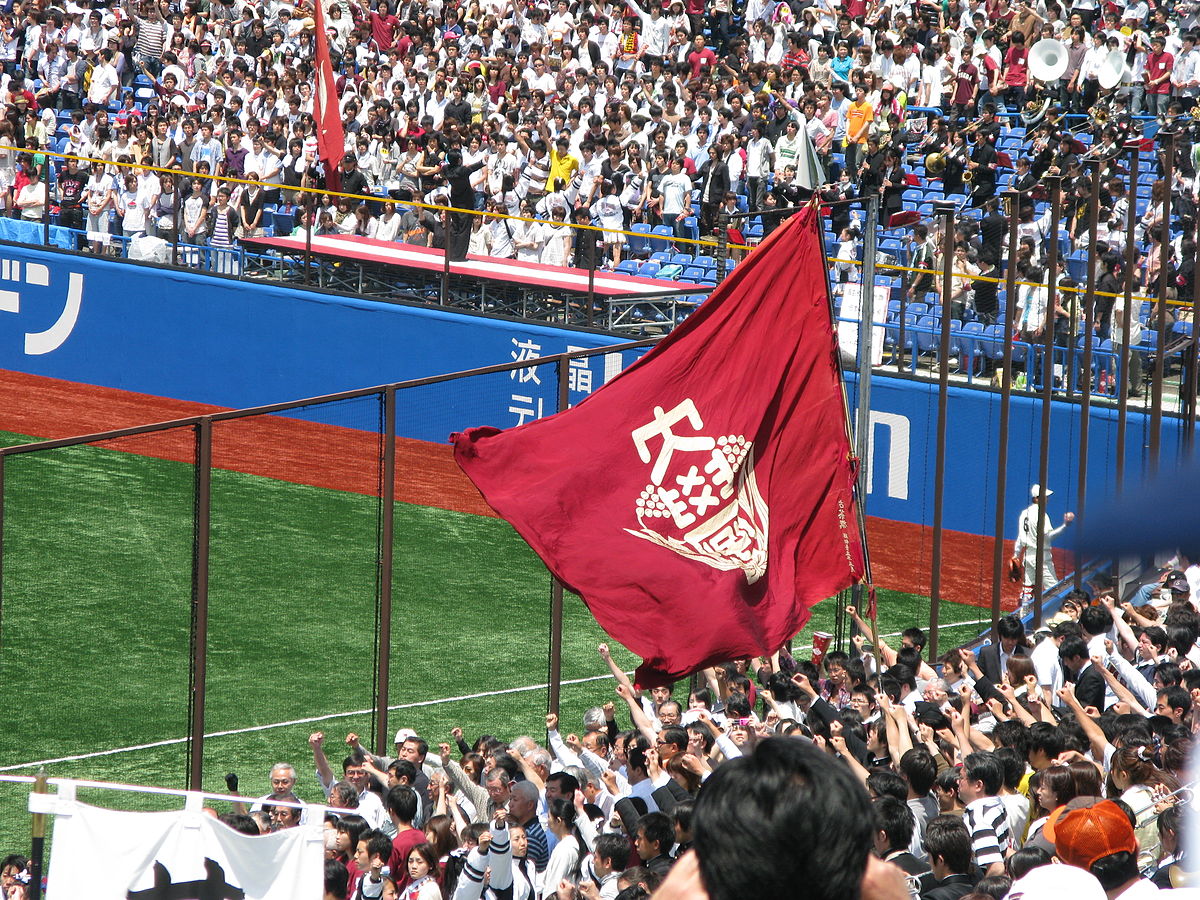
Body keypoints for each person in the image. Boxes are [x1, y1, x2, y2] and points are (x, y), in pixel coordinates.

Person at [1015, 485, 1074, 606]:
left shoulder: (1024, 513)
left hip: (1028, 555)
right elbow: (1049, 536)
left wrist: (1016, 554)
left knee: (1028, 587)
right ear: (1037, 498)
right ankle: (1058, 612)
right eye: (1045, 497)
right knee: (1054, 588)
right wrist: (1065, 526)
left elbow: (1020, 537)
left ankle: (1023, 613)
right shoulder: (1041, 515)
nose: (1047, 499)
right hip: (1041, 557)